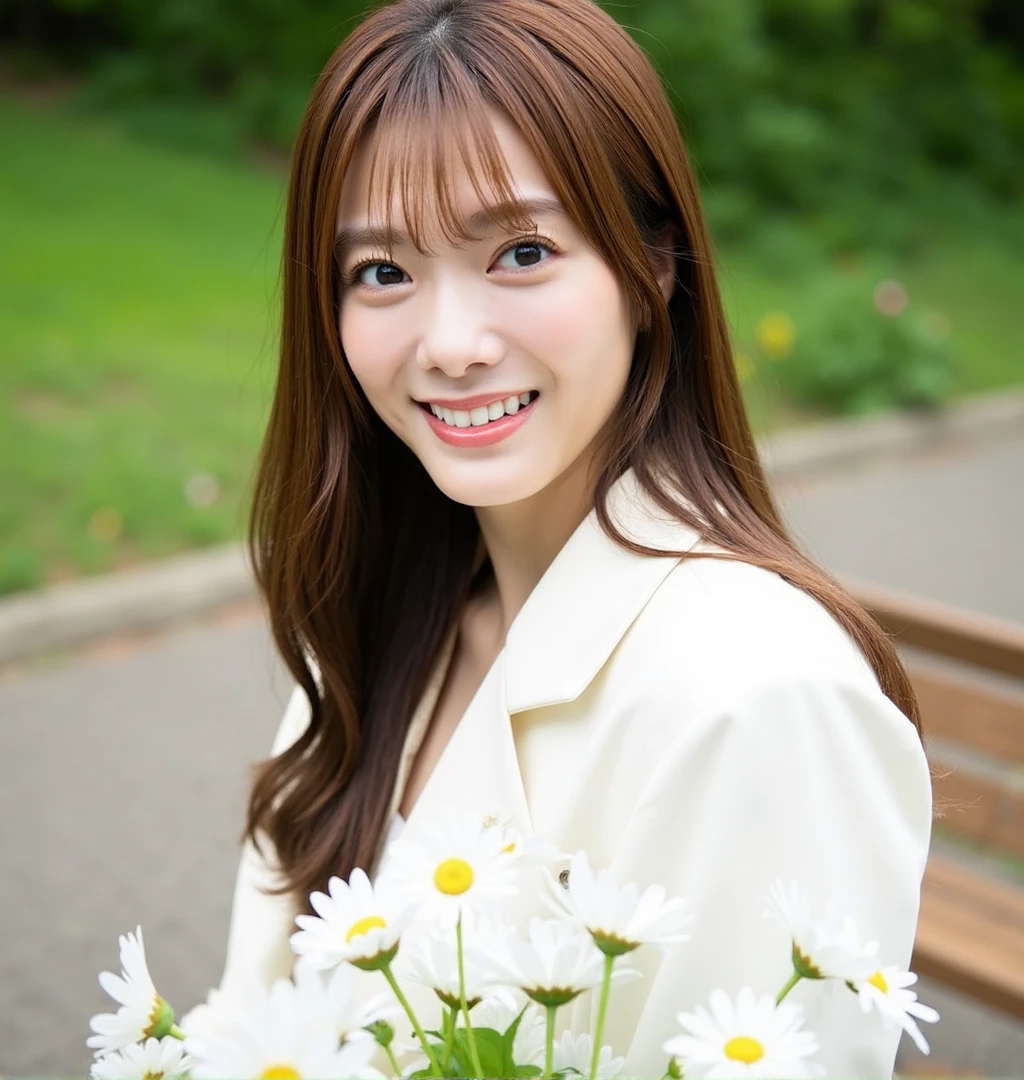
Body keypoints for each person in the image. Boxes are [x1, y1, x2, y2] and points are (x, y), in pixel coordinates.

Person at [217, 0, 934, 1075]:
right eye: (381, 272)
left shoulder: (759, 698)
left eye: (520, 251)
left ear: (653, 268)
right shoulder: (366, 620)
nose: (451, 345)